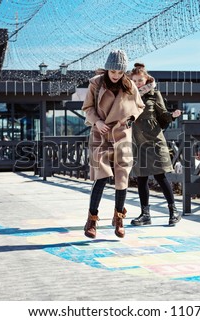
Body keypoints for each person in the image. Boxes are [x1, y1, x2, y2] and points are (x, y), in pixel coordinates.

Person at [82, 49, 144, 239]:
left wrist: (132, 118)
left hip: (121, 133)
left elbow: (139, 106)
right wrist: (97, 122)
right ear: (108, 69)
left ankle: (119, 218)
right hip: (100, 133)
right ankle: (92, 220)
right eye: (113, 72)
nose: (116, 75)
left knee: (122, 176)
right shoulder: (95, 83)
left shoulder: (129, 85)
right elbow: (87, 108)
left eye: (119, 72)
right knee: (101, 176)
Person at [129, 62, 182, 226]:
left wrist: (173, 116)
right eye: (135, 81)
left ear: (146, 79)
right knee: (142, 178)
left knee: (160, 176)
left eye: (140, 80)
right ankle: (145, 215)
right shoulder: (128, 96)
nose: (138, 83)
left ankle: (173, 211)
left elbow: (163, 115)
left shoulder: (154, 94)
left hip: (155, 139)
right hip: (138, 141)